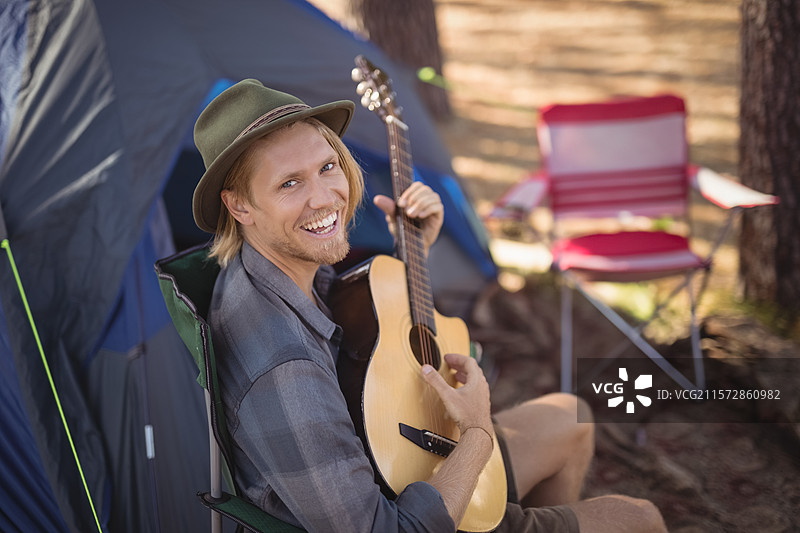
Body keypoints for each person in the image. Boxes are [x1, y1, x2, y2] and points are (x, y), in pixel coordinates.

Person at [192, 78, 667, 533]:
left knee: (570, 415)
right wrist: (477, 433)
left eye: (327, 167)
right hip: (405, 507)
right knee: (639, 518)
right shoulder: (283, 368)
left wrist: (411, 253)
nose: (324, 197)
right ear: (240, 207)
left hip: (393, 454)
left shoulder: (268, 271)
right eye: (289, 184)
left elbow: (352, 305)